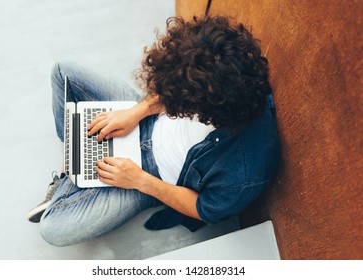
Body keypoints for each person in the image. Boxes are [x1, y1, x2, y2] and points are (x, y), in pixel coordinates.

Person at [27, 16, 280, 246]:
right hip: (145, 122)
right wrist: (135, 113)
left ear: (205, 108)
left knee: (53, 230)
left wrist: (138, 180)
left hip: (148, 177)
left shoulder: (246, 173)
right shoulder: (229, 66)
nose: (173, 107)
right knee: (63, 70)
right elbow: (183, 84)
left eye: (181, 104)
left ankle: (73, 169)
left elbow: (202, 208)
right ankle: (74, 159)